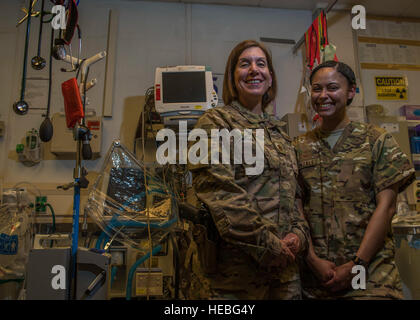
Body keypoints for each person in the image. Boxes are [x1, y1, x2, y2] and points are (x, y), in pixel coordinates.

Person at [181, 40, 310, 299]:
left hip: (284, 275)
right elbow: (221, 194)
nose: (254, 69)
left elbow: (294, 195)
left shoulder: (280, 133)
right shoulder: (216, 122)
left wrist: (298, 235)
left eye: (261, 64)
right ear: (232, 77)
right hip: (233, 276)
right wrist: (269, 245)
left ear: (270, 78)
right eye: (244, 64)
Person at [293, 60, 415, 299]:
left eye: (332, 87)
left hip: (370, 275)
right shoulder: (298, 147)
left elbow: (387, 207)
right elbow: (295, 209)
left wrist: (357, 264)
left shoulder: (376, 140)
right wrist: (313, 260)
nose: (323, 95)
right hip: (316, 278)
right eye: (317, 89)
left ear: (351, 92)